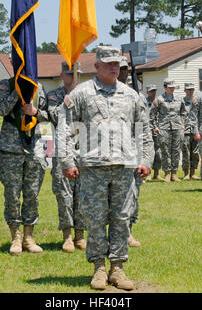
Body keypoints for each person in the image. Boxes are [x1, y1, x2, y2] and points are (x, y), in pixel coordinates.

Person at [56, 46, 153, 291]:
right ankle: (99, 267)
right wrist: (67, 161)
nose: (113, 67)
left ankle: (117, 268)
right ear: (96, 65)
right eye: (108, 63)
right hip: (93, 169)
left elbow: (143, 131)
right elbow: (65, 128)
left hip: (124, 167)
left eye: (117, 63)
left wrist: (146, 160)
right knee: (96, 219)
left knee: (122, 218)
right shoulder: (81, 94)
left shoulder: (131, 96)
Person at [0, 65, 49, 256]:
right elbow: (0, 110)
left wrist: (36, 112)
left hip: (34, 147)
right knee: (12, 195)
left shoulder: (38, 87)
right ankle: (15, 237)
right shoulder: (4, 85)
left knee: (32, 193)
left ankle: (28, 237)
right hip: (11, 149)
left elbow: (49, 115)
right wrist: (16, 92)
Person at [46, 61, 86, 253]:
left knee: (83, 195)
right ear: (63, 75)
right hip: (63, 152)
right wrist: (69, 100)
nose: (74, 77)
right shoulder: (54, 95)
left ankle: (80, 235)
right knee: (64, 195)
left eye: (77, 74)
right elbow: (55, 115)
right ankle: (67, 236)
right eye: (71, 74)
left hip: (84, 152)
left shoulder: (86, 95)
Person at [117, 56, 148, 248]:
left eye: (125, 70)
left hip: (133, 153)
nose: (122, 73)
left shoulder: (137, 96)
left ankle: (128, 231)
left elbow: (144, 127)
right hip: (113, 153)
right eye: (119, 69)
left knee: (133, 195)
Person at [153, 78, 187, 183]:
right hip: (164, 128)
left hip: (177, 127)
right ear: (165, 87)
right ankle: (167, 173)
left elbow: (184, 113)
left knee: (176, 150)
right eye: (170, 87)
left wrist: (183, 124)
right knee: (165, 151)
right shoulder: (159, 99)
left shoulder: (179, 99)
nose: (172, 89)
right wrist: (155, 126)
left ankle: (174, 174)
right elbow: (152, 114)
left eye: (173, 87)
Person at [144, 84, 164, 182]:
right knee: (148, 152)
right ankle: (148, 173)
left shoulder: (158, 102)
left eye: (154, 91)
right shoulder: (143, 102)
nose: (153, 93)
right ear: (147, 92)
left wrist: (158, 126)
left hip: (157, 130)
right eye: (151, 91)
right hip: (146, 129)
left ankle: (157, 173)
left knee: (158, 152)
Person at [181, 82, 200, 180]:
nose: (190, 91)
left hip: (195, 130)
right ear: (185, 91)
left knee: (195, 152)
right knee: (186, 153)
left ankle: (193, 172)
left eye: (192, 89)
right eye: (188, 89)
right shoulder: (181, 102)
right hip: (186, 131)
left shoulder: (197, 101)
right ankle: (186, 173)